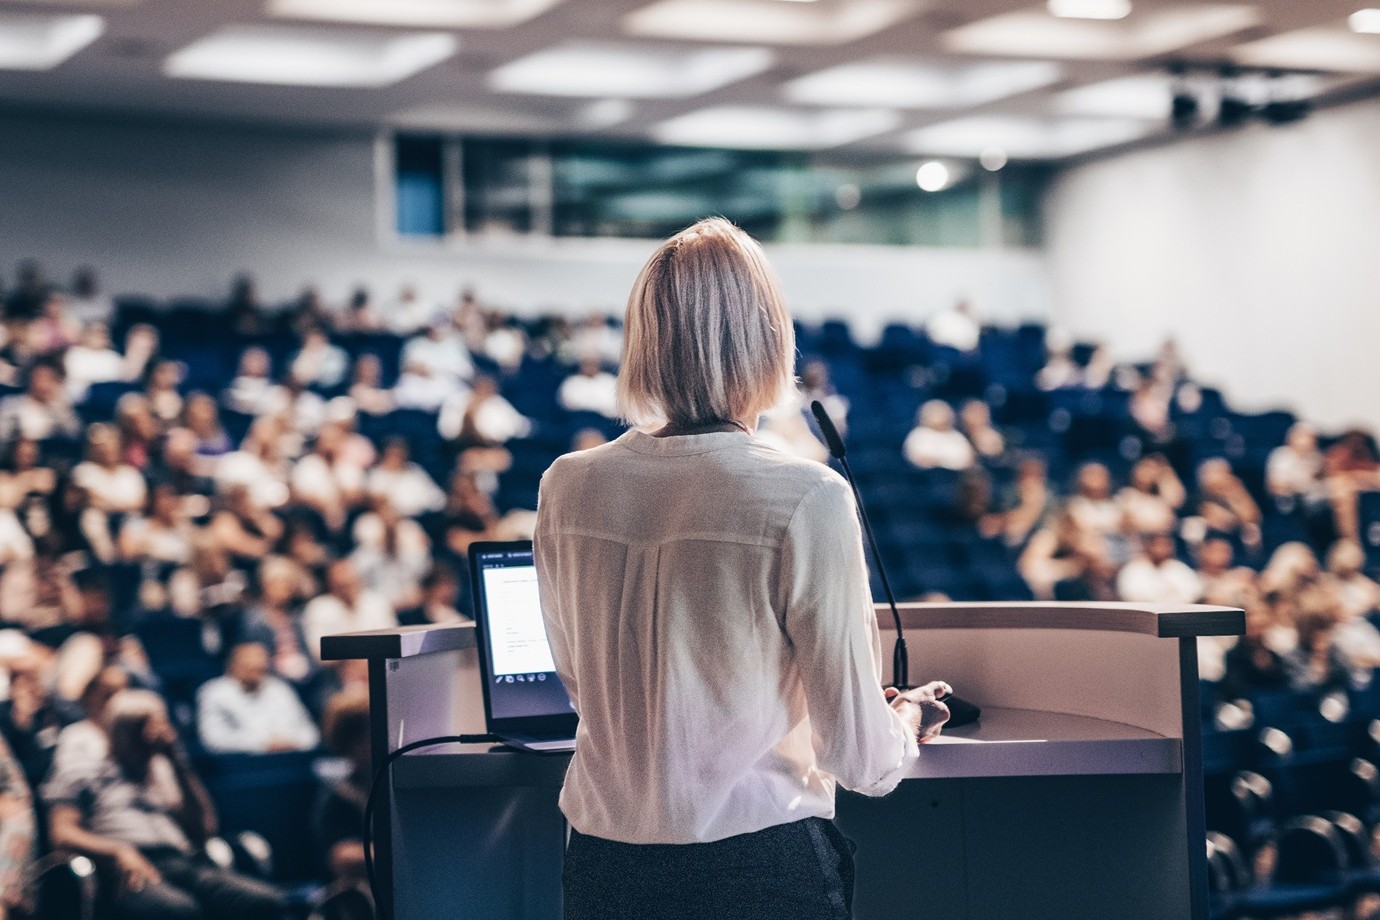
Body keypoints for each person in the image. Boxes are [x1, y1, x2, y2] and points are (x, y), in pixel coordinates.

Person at [534, 218, 949, 920]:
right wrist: (903, 717)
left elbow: (583, 682)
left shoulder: (567, 484)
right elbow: (859, 760)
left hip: (603, 866)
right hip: (758, 866)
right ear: (768, 336)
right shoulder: (808, 494)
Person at [43, 689, 287, 920]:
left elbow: (203, 830)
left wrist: (176, 762)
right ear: (120, 731)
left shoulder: (163, 771)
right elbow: (62, 833)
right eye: (145, 725)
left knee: (266, 901)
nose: (157, 734)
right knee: (179, 911)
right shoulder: (83, 770)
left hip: (185, 862)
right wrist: (118, 852)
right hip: (124, 870)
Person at [196, 643, 320, 753]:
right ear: (232, 667)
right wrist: (263, 744)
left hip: (289, 759)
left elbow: (310, 733)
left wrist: (293, 742)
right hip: (243, 767)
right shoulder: (213, 692)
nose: (257, 675)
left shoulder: (280, 688)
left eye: (261, 670)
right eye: (250, 669)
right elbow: (213, 740)